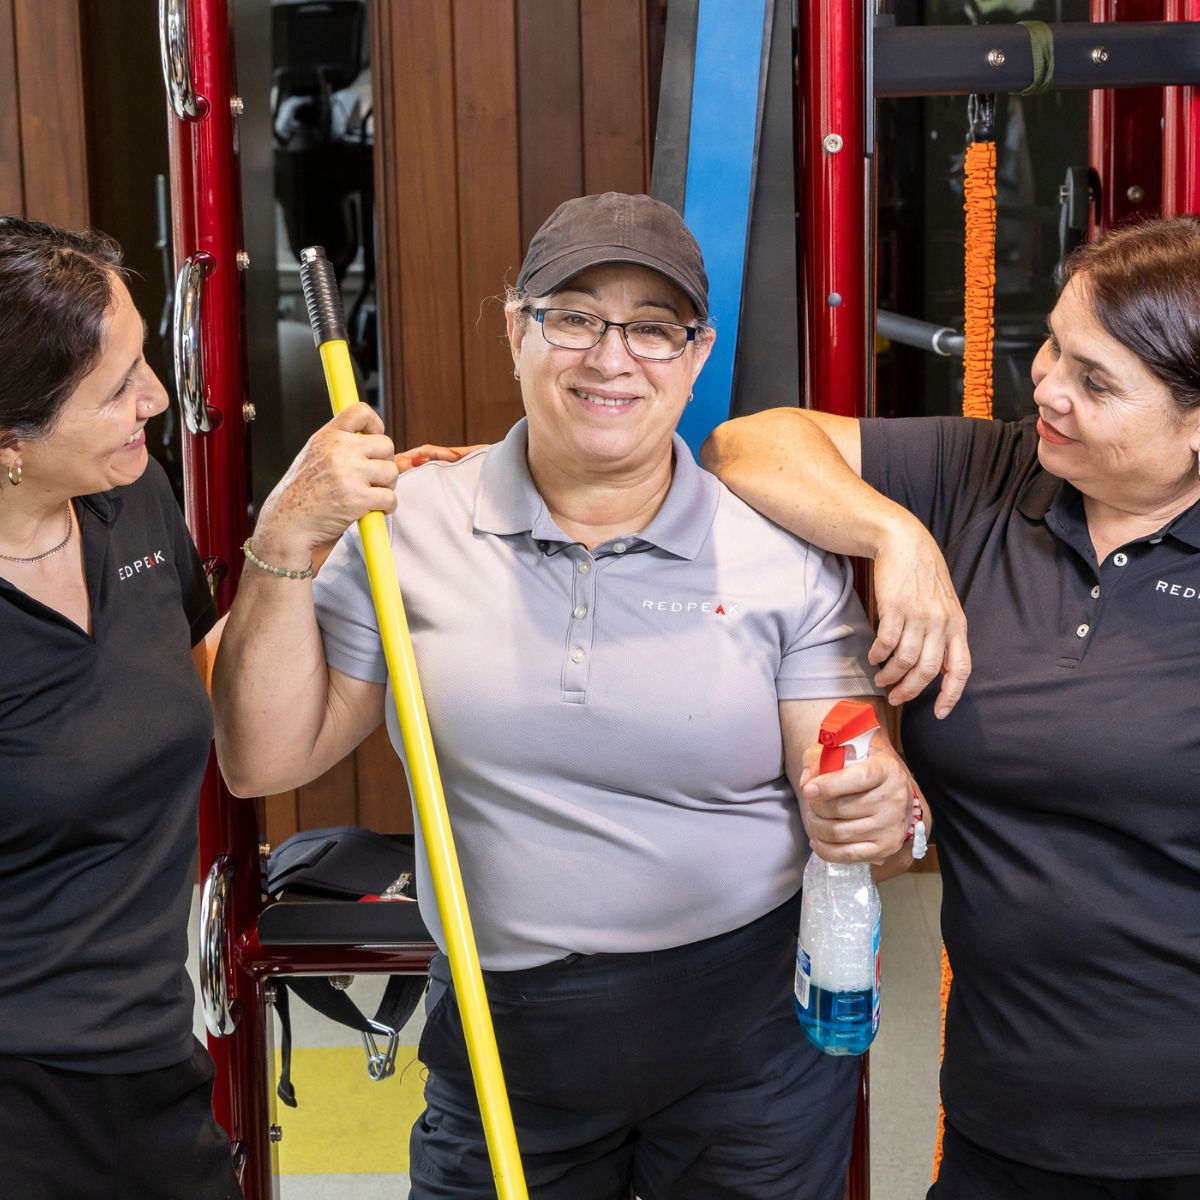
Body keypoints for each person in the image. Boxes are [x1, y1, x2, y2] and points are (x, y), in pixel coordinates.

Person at [212, 191, 921, 1200]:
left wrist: (872, 810)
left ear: (697, 355)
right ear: (516, 330)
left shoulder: (778, 553)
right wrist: (286, 535)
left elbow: (850, 779)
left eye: (653, 329)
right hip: (501, 1034)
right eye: (575, 317)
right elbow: (263, 759)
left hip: (748, 1036)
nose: (611, 358)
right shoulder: (405, 524)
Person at [703, 215, 1200, 1200]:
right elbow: (745, 445)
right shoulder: (989, 475)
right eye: (1054, 345)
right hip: (1004, 1120)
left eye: (1096, 382)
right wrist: (896, 536)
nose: (1047, 386)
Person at [0, 219, 240, 1199]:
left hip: (153, 1064)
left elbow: (216, 685)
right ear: (10, 443)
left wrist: (310, 549)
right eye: (117, 389)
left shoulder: (131, 498)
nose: (159, 398)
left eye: (145, 360)